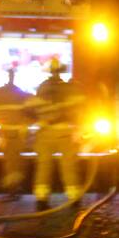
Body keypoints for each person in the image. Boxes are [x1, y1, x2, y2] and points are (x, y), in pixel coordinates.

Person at [26, 57, 86, 211]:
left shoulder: (42, 88)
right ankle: (73, 199)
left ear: (50, 72)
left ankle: (41, 199)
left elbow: (34, 109)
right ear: (61, 72)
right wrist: (79, 129)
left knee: (44, 166)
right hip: (65, 132)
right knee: (69, 166)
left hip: (45, 133)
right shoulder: (70, 88)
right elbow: (79, 110)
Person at [0, 68, 30, 201]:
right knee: (15, 162)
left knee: (10, 163)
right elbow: (31, 113)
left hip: (6, 133)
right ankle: (15, 189)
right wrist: (24, 126)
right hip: (16, 134)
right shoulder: (22, 94)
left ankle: (13, 190)